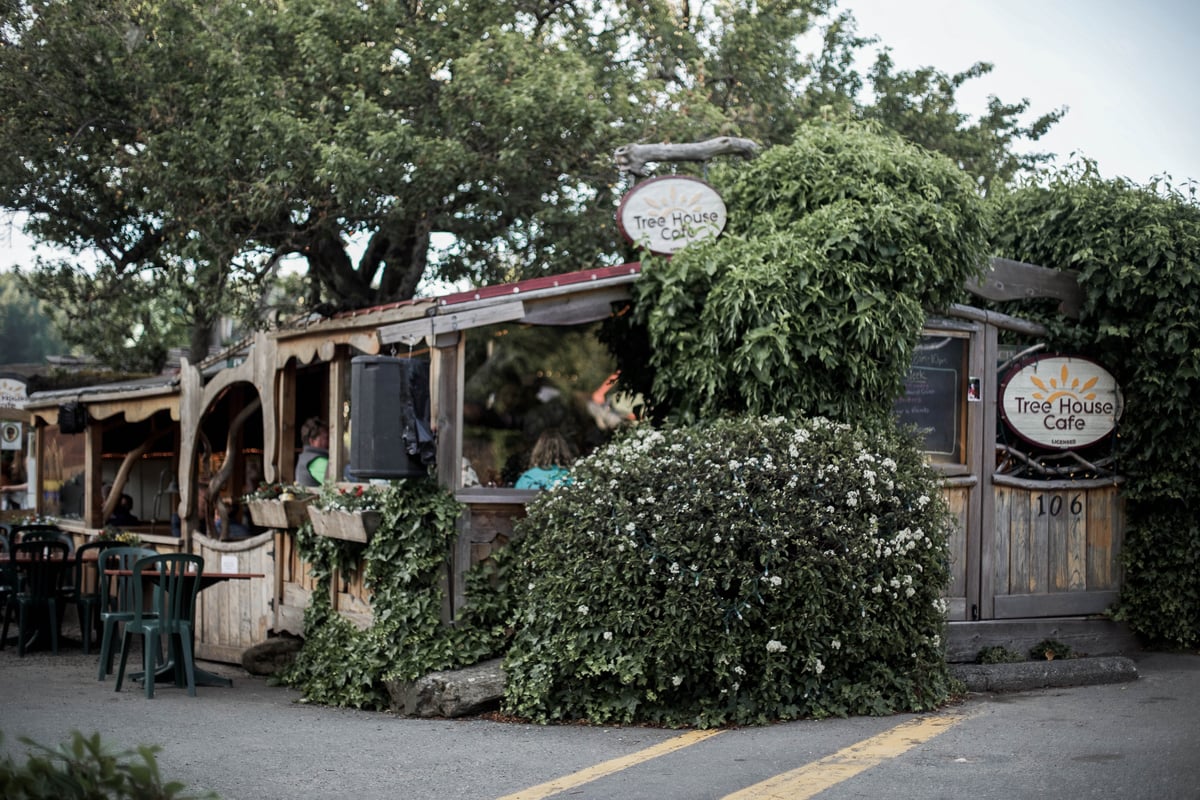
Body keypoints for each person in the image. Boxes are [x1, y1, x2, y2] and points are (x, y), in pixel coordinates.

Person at [296, 417, 330, 487]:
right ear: (312, 441)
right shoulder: (316, 460)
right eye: (325, 438)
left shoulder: (305, 457)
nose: (329, 441)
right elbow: (335, 481)